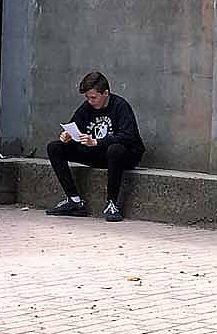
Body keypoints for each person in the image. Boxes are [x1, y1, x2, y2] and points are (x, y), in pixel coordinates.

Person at [45, 71, 144, 222]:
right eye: (87, 98)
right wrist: (67, 136)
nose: (90, 101)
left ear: (105, 93)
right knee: (54, 147)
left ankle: (112, 204)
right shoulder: (87, 107)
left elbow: (128, 136)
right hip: (97, 154)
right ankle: (74, 201)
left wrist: (97, 142)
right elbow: (74, 126)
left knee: (115, 149)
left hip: (123, 156)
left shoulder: (120, 106)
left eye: (93, 97)